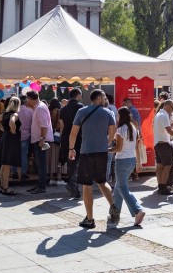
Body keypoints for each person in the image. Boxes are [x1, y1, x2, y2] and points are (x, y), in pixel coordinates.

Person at [68, 90, 118, 229]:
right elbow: (113, 133)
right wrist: (106, 143)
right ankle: (114, 206)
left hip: (87, 152)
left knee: (87, 185)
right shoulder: (108, 113)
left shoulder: (82, 112)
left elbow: (73, 132)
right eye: (103, 97)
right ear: (99, 98)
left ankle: (90, 219)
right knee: (102, 181)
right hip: (102, 152)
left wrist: (71, 149)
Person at [110, 106, 146, 227]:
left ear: (120, 116)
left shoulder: (120, 129)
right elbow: (136, 146)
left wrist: (106, 150)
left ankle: (137, 210)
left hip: (122, 160)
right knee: (118, 188)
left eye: (117, 116)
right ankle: (115, 214)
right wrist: (139, 162)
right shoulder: (133, 128)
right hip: (131, 160)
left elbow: (118, 148)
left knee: (122, 188)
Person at [153, 99, 173, 195]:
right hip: (163, 143)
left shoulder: (158, 115)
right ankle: (163, 186)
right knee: (168, 165)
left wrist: (172, 125)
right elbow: (169, 131)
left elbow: (164, 128)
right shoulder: (164, 115)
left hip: (157, 143)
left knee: (160, 165)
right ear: (168, 106)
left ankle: (160, 185)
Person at [59, 88, 84, 198]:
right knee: (77, 161)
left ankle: (73, 185)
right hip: (77, 137)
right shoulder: (80, 107)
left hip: (66, 137)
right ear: (78, 95)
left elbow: (61, 126)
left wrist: (62, 140)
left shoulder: (63, 109)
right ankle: (72, 184)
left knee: (71, 162)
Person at [27, 91, 53, 194]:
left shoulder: (40, 108)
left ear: (30, 99)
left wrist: (42, 139)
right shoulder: (38, 107)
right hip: (38, 139)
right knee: (39, 163)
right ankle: (39, 185)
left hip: (41, 140)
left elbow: (44, 126)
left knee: (41, 164)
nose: (26, 101)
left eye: (27, 99)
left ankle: (42, 186)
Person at [0, 96, 23, 196]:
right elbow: (12, 121)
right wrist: (13, 129)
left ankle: (2, 186)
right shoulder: (15, 114)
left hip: (5, 138)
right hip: (11, 140)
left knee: (4, 164)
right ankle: (6, 187)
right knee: (7, 164)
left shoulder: (5, 114)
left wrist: (4, 129)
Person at [47, 98, 62, 186]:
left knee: (50, 159)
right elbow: (61, 126)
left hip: (49, 138)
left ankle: (51, 178)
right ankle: (59, 178)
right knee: (58, 159)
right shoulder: (60, 113)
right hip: (58, 138)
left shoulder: (48, 113)